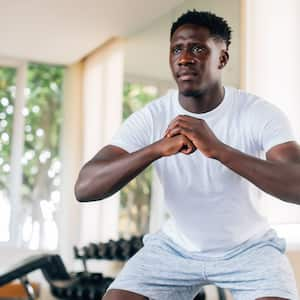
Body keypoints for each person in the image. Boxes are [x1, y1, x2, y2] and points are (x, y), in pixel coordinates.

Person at [75, 10, 300, 300]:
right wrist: (156, 148)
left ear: (222, 58)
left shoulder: (257, 113)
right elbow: (84, 188)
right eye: (176, 49)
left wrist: (218, 150)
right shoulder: (152, 117)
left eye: (197, 49)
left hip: (250, 248)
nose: (184, 58)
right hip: (174, 248)